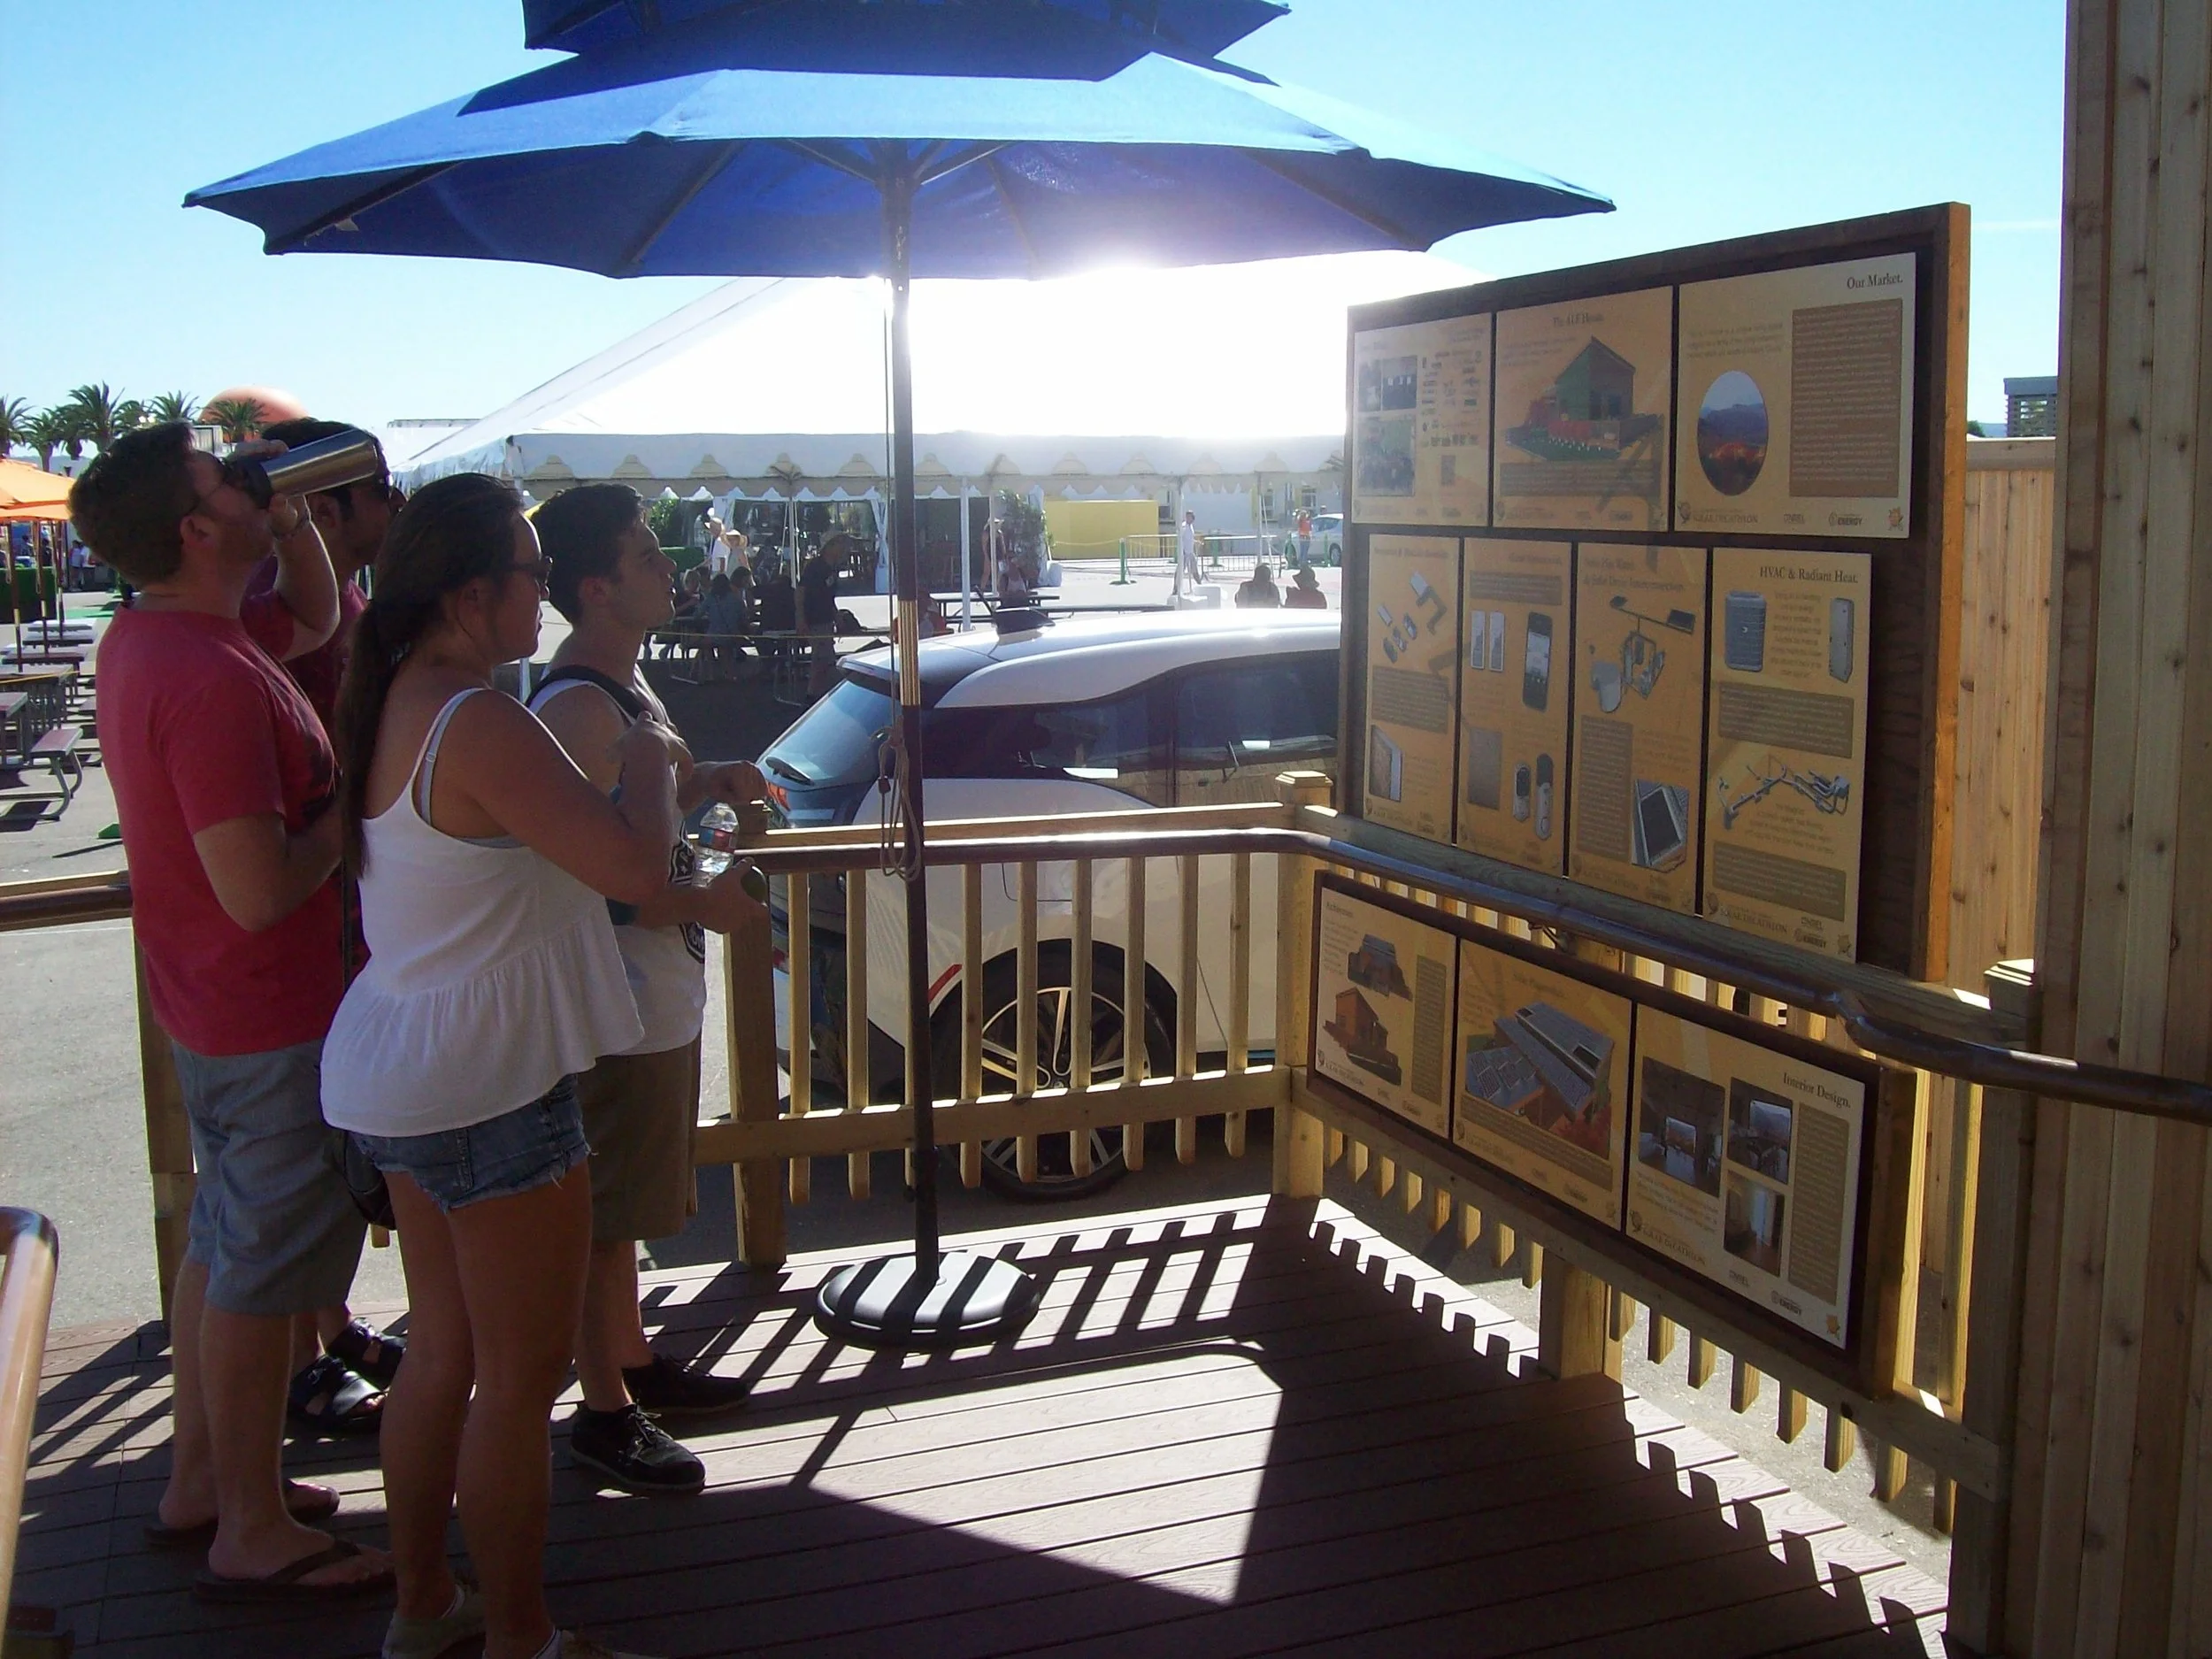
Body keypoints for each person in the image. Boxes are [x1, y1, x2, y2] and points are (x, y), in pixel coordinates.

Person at [324, 472, 680, 1659]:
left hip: (408, 1068)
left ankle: (424, 1604)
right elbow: (632, 867)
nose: (542, 596)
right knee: (518, 1384)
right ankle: (522, 1634)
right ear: (474, 593)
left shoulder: (390, 699)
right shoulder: (477, 720)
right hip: (495, 1086)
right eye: (530, 574)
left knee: (442, 1347)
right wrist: (654, 760)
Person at [69, 422, 390, 1603]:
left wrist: (292, 509)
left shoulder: (168, 633)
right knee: (260, 1267)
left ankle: (203, 1480)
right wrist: (349, 800)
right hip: (268, 1011)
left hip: (213, 1006)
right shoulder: (202, 676)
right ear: (200, 529)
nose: (251, 487)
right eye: (228, 482)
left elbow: (314, 619)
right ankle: (250, 1523)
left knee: (222, 1241)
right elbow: (257, 887)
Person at [528, 484, 766, 1498]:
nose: (670, 564)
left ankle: (625, 1360)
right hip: (614, 999)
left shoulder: (622, 690)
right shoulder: (580, 707)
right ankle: (604, 1411)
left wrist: (708, 779)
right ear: (595, 586)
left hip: (648, 998)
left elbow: (642, 813)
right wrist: (698, 907)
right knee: (601, 1210)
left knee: (620, 1209)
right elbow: (596, 877)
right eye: (643, 555)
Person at [250, 414, 410, 1434]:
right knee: (308, 1142)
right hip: (310, 912)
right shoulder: (289, 609)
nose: (392, 505)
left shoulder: (346, 598)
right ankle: (308, 1354)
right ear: (324, 505)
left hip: (346, 904)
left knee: (333, 1132)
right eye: (377, 488)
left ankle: (331, 1321)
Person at [800, 540, 841, 695]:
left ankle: (818, 692)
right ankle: (813, 694)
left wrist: (836, 616)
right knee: (821, 658)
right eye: (839, 543)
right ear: (828, 546)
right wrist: (801, 618)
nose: (843, 547)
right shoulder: (815, 567)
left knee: (824, 658)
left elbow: (828, 597)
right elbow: (801, 591)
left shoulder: (832, 568)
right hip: (815, 617)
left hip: (826, 617)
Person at [702, 571, 747, 680]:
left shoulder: (710, 598)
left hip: (713, 634)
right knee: (725, 648)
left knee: (705, 645)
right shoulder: (737, 600)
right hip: (732, 634)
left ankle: (711, 672)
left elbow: (697, 614)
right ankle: (729, 673)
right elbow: (743, 618)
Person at [1176, 509, 1202, 589]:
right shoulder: (1184, 527)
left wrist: (1196, 542)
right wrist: (1182, 551)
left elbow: (1189, 538)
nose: (1189, 519)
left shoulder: (1191, 527)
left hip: (1190, 552)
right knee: (1180, 572)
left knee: (1194, 569)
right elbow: (1180, 539)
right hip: (1184, 553)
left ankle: (1200, 585)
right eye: (1188, 517)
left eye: (1190, 517)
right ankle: (1176, 588)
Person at [1295, 506, 1312, 570]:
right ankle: (1304, 563)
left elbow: (1300, 530)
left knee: (1302, 550)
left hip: (1301, 536)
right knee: (1305, 551)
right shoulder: (1306, 522)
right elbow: (1309, 529)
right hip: (1306, 536)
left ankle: (1300, 562)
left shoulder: (1300, 522)